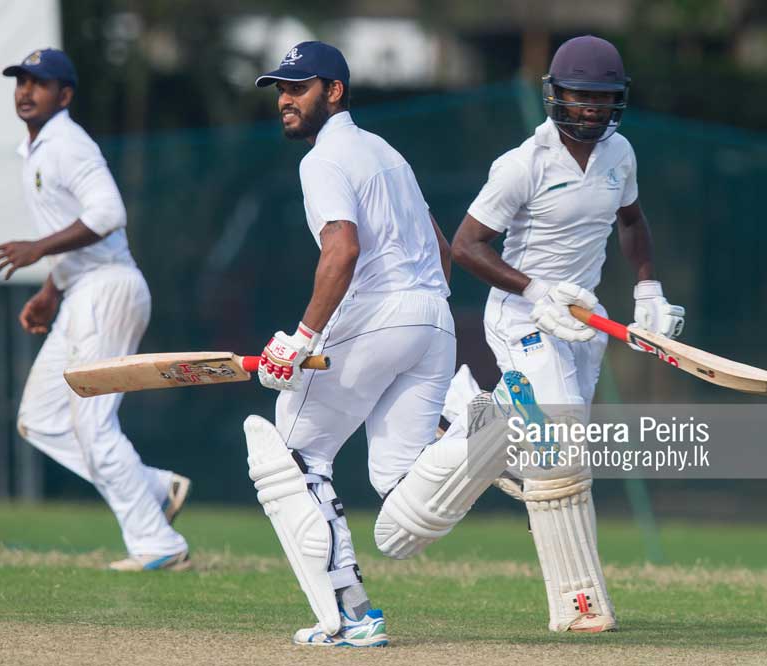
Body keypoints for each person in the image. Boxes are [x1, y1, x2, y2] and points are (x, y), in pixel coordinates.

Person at [245, 41, 531, 648]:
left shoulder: (322, 160)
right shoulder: (387, 153)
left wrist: (299, 340)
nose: (285, 101)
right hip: (433, 320)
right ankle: (479, 425)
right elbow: (442, 246)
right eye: (281, 90)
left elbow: (342, 248)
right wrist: (423, 318)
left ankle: (351, 614)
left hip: (383, 311)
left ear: (335, 91)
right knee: (398, 486)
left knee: (293, 449)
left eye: (298, 88)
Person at [449, 35, 686, 633]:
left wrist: (648, 289)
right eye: (580, 98)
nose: (591, 110)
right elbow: (465, 245)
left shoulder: (620, 154)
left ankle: (476, 417)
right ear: (557, 96)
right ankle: (579, 607)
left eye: (602, 100)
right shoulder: (521, 164)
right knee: (561, 446)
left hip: (581, 320)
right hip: (521, 314)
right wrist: (534, 289)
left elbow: (631, 221)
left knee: (565, 454)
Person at [0, 48, 191, 572]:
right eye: (21, 81)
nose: (26, 91)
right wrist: (50, 290)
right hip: (81, 292)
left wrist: (38, 251)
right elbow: (81, 236)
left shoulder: (68, 143)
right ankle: (150, 487)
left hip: (108, 291)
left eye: (39, 82)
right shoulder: (34, 150)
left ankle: (159, 543)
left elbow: (109, 212)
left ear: (65, 95)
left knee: (93, 425)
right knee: (40, 419)